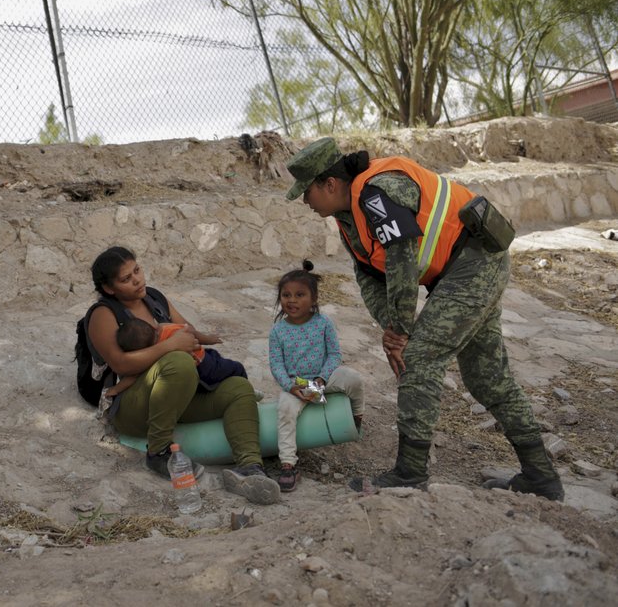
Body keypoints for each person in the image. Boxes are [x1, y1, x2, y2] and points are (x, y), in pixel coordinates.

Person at [284, 137, 563, 501]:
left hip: (475, 263)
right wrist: (391, 329)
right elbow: (369, 277)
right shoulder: (346, 215)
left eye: (307, 193)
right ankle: (540, 476)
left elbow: (401, 261)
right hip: (459, 272)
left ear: (330, 184)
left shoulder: (377, 193)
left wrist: (401, 333)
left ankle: (410, 473)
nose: (306, 202)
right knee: (486, 377)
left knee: (420, 361)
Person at [85, 246, 281, 505]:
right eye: (126, 279)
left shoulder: (154, 298)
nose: (137, 279)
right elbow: (121, 364)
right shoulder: (103, 314)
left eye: (137, 270)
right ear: (109, 288)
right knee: (177, 361)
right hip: (134, 406)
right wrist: (169, 346)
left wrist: (200, 338)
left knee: (237, 387)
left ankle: (249, 469)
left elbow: (186, 330)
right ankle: (158, 451)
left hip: (172, 395)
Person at [269, 260, 365, 493]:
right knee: (285, 411)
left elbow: (334, 354)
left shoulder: (323, 323)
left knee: (353, 379)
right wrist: (291, 387)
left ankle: (356, 416)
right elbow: (276, 365)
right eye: (286, 295)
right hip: (298, 383)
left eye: (300, 295)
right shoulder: (278, 331)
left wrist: (322, 379)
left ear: (314, 299)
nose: (291, 300)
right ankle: (288, 464)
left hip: (324, 377)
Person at [116, 318, 248, 388]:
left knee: (214, 355)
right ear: (153, 327)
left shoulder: (153, 355)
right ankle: (247, 390)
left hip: (201, 360)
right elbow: (193, 333)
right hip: (203, 368)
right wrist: (209, 339)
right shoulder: (170, 329)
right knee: (236, 367)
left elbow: (134, 376)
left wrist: (116, 389)